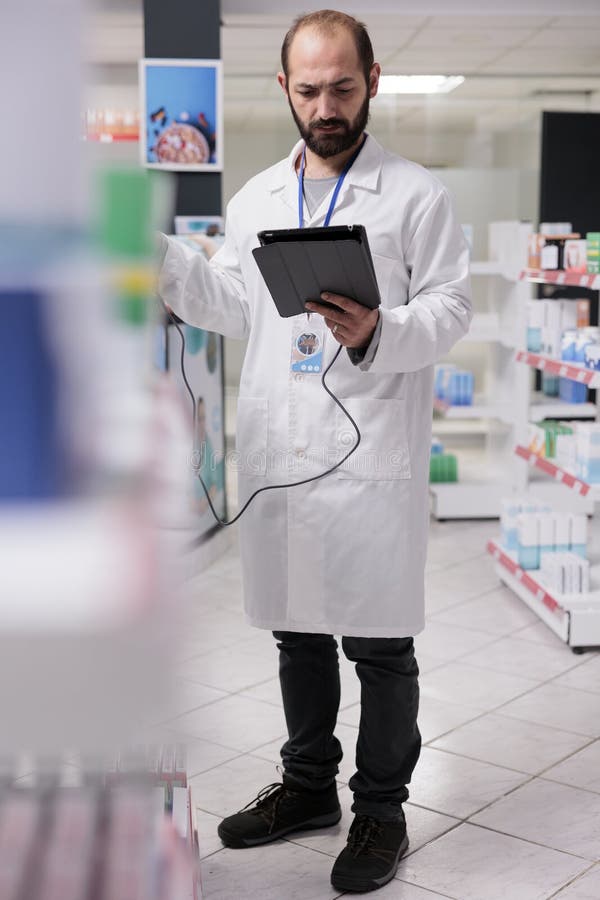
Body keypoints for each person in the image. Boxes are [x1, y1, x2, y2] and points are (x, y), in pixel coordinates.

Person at [158, 9, 471, 894]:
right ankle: (307, 789)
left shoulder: (416, 196)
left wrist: (382, 326)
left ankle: (379, 810)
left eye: (342, 87)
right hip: (281, 455)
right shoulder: (257, 197)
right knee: (297, 635)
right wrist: (162, 261)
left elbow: (451, 307)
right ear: (285, 89)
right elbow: (231, 302)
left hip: (370, 455)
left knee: (379, 647)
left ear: (375, 79)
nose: (325, 106)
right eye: (308, 90)